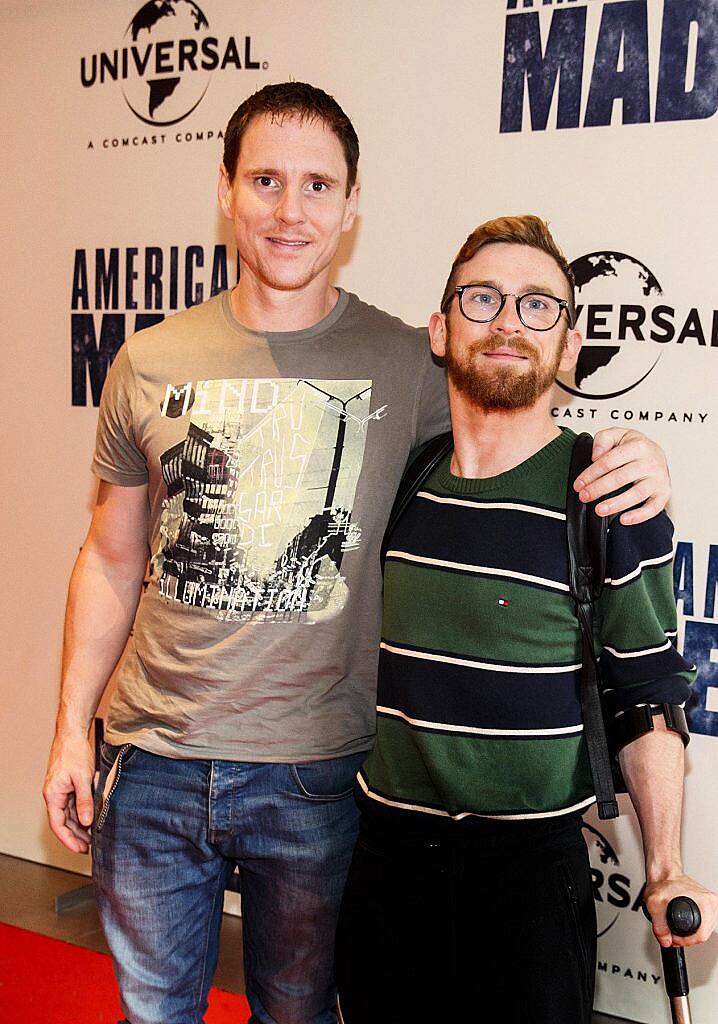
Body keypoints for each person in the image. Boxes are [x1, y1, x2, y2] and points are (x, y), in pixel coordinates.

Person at [43, 85, 672, 1024]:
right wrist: (69, 729)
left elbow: (511, 408)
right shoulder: (149, 359)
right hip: (152, 761)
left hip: (320, 777)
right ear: (225, 189)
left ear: (350, 205)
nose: (290, 212)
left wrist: (646, 458)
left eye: (316, 185)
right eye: (265, 180)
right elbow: (108, 557)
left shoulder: (410, 361)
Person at [334, 215, 718, 1024]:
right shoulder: (400, 481)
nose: (509, 321)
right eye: (483, 299)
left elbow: (648, 695)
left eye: (539, 306)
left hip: (530, 883)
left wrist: (667, 867)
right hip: (385, 862)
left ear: (570, 349)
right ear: (441, 331)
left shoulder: (607, 493)